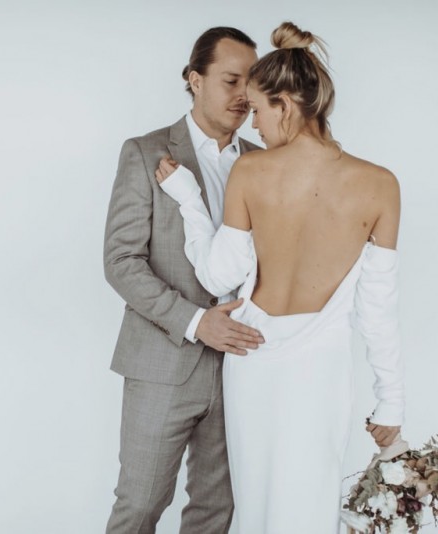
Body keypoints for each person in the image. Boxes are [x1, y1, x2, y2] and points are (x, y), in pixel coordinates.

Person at [155, 22, 406, 533]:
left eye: (257, 109)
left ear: (286, 106)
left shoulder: (253, 172)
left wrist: (187, 197)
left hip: (253, 361)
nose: (252, 126)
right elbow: (377, 310)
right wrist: (391, 400)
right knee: (312, 501)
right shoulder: (381, 185)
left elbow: (218, 271)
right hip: (323, 369)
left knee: (257, 505)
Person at [103, 27, 265, 533]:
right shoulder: (145, 152)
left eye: (251, 82)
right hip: (162, 362)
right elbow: (121, 261)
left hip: (241, 366)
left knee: (217, 512)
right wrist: (197, 322)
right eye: (230, 80)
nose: (243, 95)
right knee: (141, 506)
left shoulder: (264, 163)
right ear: (195, 80)